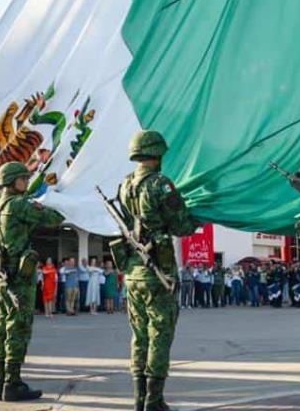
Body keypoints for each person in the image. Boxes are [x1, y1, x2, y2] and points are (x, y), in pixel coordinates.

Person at [111, 130, 198, 411]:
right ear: (156, 153)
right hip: (158, 272)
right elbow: (181, 226)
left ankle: (139, 398)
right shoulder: (160, 185)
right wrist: (194, 215)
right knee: (160, 335)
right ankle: (154, 399)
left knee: (140, 336)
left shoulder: (125, 185)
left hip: (133, 272)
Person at [0, 161, 66, 402]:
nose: (26, 181)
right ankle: (13, 383)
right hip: (18, 278)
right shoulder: (19, 204)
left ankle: (2, 382)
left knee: (3, 328)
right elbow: (54, 218)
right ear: (13, 181)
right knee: (18, 329)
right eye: (23, 178)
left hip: (2, 276)